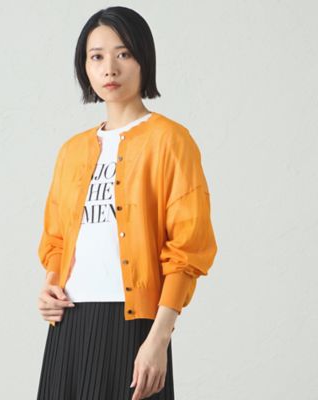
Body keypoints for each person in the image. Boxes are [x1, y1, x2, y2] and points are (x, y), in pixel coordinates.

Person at [36, 6, 218, 400]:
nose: (110, 68)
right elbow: (57, 240)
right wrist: (50, 286)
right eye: (96, 56)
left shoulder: (170, 141)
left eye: (124, 54)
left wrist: (159, 338)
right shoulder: (71, 151)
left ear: (143, 59)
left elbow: (188, 250)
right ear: (84, 67)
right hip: (68, 325)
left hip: (134, 324)